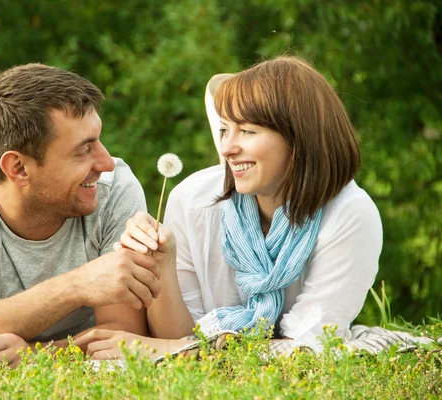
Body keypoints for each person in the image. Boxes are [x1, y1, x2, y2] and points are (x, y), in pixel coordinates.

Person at [74, 56, 383, 359]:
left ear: (301, 137)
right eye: (224, 130)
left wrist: (174, 351)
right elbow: (176, 336)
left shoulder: (351, 215)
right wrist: (163, 266)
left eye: (247, 131)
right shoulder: (192, 200)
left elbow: (305, 351)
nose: (227, 148)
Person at [0, 63, 162, 367]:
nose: (106, 163)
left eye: (99, 140)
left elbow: (123, 334)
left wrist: (37, 355)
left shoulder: (114, 189)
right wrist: (76, 285)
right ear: (18, 168)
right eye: (84, 150)